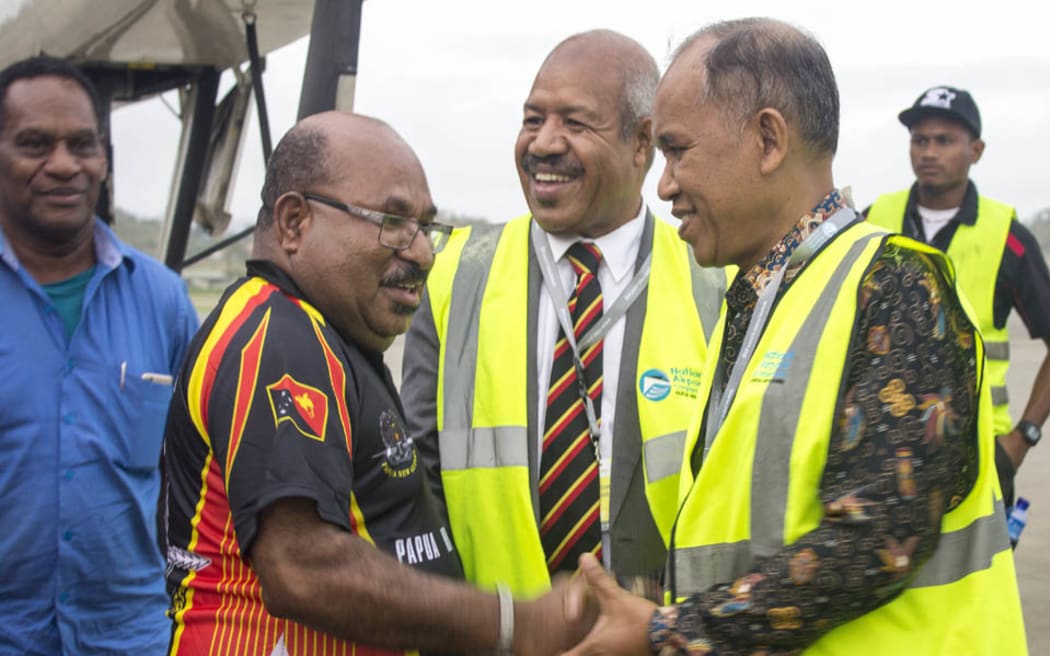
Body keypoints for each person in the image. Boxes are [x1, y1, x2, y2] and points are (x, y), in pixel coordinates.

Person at [562, 18, 1027, 655]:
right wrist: (634, 600)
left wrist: (667, 633)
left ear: (768, 140)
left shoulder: (894, 286)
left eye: (677, 151)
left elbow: (877, 539)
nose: (663, 184)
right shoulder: (757, 300)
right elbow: (743, 532)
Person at [161, 110, 592, 655]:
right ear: (294, 222)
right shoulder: (278, 340)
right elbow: (300, 566)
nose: (422, 252)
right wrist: (514, 623)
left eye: (426, 227)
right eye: (392, 222)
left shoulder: (328, 338)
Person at [400, 29, 726, 598]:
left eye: (575, 123)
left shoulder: (716, 283)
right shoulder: (455, 275)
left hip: (661, 630)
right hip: (495, 628)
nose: (544, 143)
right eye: (532, 120)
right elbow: (417, 481)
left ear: (641, 142)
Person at [0, 56, 199, 654]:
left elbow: (199, 470)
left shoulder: (163, 300)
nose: (64, 164)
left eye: (82, 145)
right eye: (35, 144)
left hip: (130, 636)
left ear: (105, 159)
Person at [866, 86, 1050, 507]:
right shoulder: (873, 221)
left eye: (944, 140)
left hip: (977, 455)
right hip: (877, 457)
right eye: (920, 140)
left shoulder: (1008, 239)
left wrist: (1021, 440)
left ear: (976, 150)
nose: (929, 152)